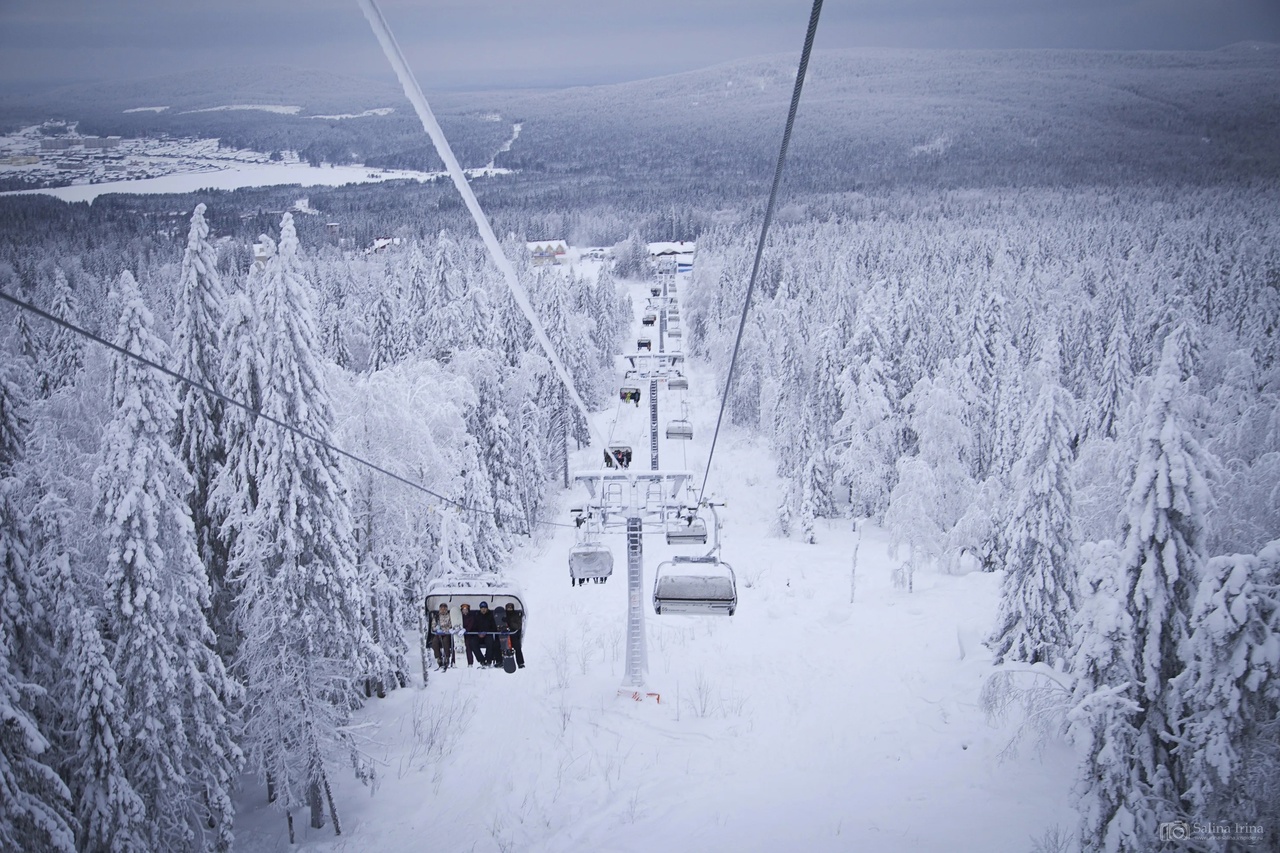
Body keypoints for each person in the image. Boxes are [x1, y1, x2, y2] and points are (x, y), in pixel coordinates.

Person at [428, 603, 454, 669]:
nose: (443, 610)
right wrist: (436, 629)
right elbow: (433, 626)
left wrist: (445, 630)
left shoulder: (449, 616)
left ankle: (447, 657)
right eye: (441, 609)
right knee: (435, 642)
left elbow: (451, 625)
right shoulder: (436, 617)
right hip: (438, 633)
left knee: (445, 641)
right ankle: (438, 658)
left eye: (444, 609)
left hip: (446, 633)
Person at [474, 601, 499, 667]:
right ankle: (481, 660)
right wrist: (478, 633)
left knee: (490, 642)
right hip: (479, 635)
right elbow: (474, 626)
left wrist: (486, 632)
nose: (483, 609)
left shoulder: (491, 615)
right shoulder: (477, 615)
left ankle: (488, 660)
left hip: (488, 634)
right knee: (472, 642)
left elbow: (494, 627)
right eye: (482, 608)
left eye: (485, 608)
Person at [459, 602, 483, 667]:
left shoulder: (471, 617)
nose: (464, 611)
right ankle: (456, 661)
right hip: (461, 635)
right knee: (457, 644)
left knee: (468, 644)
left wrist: (465, 630)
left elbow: (470, 625)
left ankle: (470, 662)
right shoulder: (459, 617)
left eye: (466, 609)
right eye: (463, 609)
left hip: (470, 634)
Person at [504, 603, 525, 668]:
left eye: (511, 608)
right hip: (504, 634)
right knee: (497, 644)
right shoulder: (503, 615)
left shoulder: (516, 615)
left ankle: (520, 663)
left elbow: (518, 626)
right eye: (508, 608)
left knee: (517, 647)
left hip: (513, 634)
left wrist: (510, 622)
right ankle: (499, 661)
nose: (509, 609)